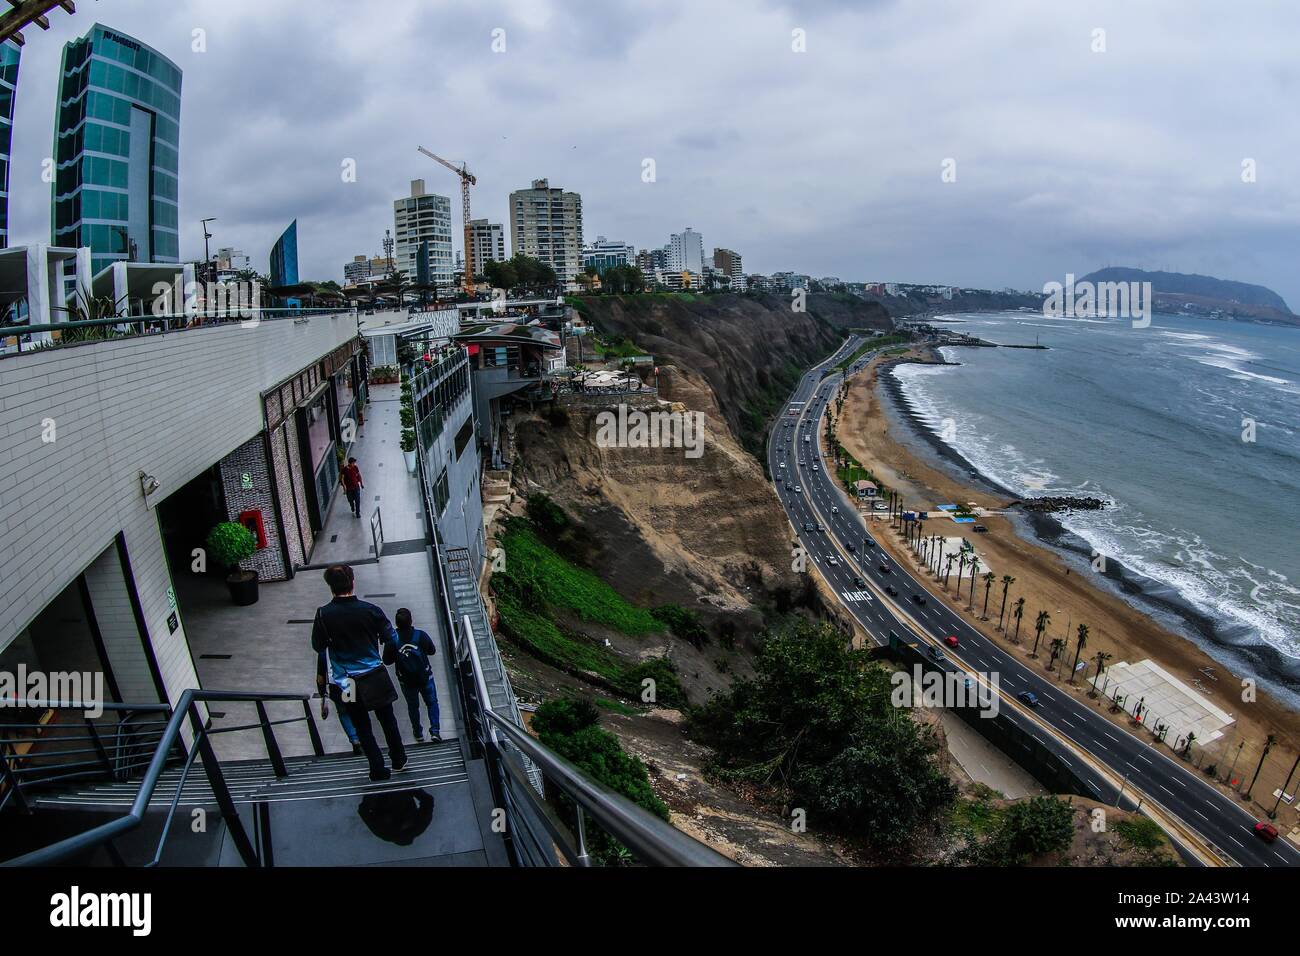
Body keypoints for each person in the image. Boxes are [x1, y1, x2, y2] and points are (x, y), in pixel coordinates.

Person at [310, 564, 407, 781]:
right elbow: (393, 639)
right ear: (353, 582)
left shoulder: (323, 615)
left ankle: (377, 768)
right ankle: (398, 759)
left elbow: (318, 646)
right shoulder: (371, 610)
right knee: (388, 720)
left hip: (347, 683)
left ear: (330, 587)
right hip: (374, 675)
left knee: (361, 725)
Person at [383, 608, 441, 743]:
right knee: (432, 703)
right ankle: (435, 731)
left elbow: (387, 661)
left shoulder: (393, 640)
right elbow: (432, 651)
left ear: (396, 624)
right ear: (411, 621)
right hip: (425, 677)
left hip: (406, 681)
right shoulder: (420, 635)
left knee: (412, 706)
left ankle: (418, 732)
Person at [316, 647, 362, 754]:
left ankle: (354, 739)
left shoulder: (325, 650)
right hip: (351, 680)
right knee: (356, 710)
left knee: (343, 712)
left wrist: (322, 693)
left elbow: (320, 676)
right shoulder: (348, 639)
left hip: (336, 684)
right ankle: (361, 736)